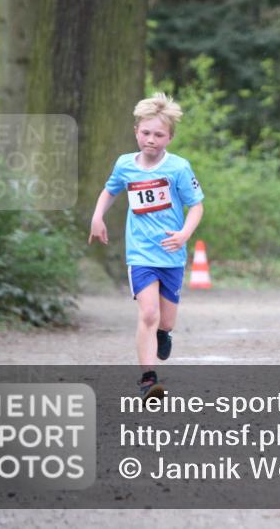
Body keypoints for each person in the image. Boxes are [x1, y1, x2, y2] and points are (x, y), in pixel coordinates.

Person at [88, 93, 204, 399]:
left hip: (171, 254)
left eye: (159, 135)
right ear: (136, 132)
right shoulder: (125, 164)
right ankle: (148, 380)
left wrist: (184, 235)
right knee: (148, 314)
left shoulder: (178, 168)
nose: (151, 140)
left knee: (165, 321)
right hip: (140, 253)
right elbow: (109, 191)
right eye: (145, 133)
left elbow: (196, 207)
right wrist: (97, 217)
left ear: (170, 137)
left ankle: (164, 334)